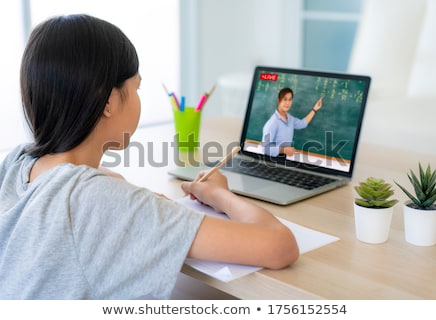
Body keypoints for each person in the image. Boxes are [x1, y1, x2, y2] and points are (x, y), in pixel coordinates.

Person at [0, 14, 298, 300]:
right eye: (136, 87)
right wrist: (220, 195)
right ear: (108, 102)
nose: (139, 96)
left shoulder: (16, 163)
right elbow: (280, 245)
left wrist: (127, 196)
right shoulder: (98, 200)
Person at [262, 87, 323, 157]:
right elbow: (265, 148)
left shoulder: (290, 119)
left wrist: (314, 109)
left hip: (283, 157)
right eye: (285, 99)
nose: (287, 103)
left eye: (290, 100)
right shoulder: (272, 123)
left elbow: (303, 123)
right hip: (271, 160)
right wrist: (284, 150)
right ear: (279, 101)